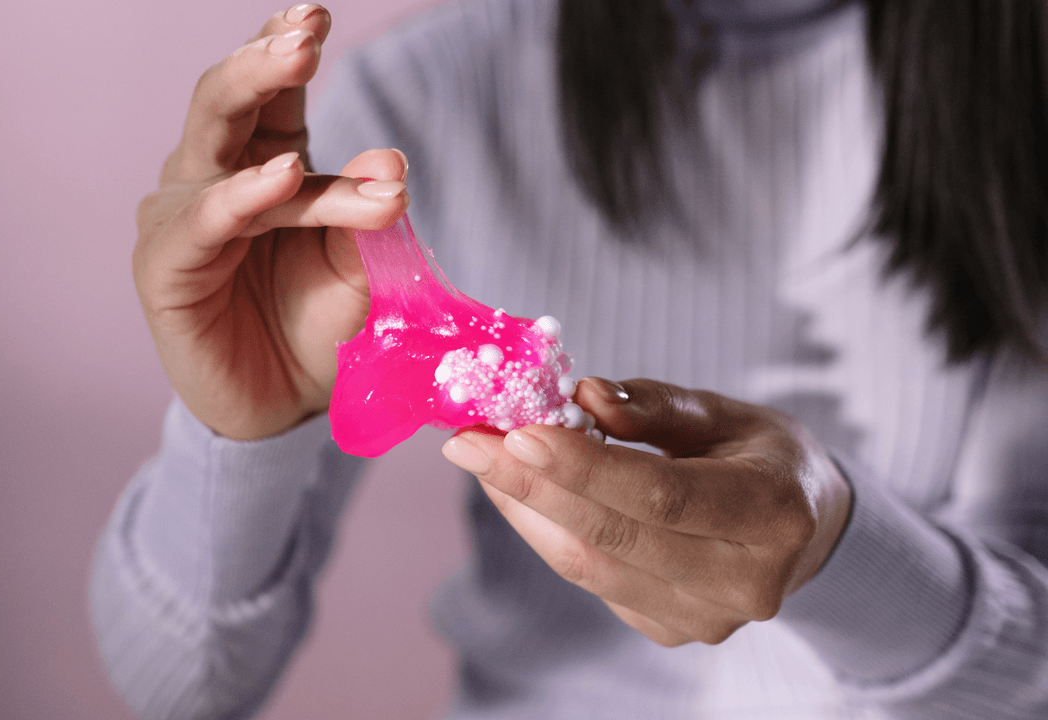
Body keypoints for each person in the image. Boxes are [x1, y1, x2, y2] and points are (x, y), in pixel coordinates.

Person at [89, 0, 1048, 717]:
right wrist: (244, 435)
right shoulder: (431, 104)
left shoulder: (1019, 94)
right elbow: (182, 688)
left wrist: (837, 559)